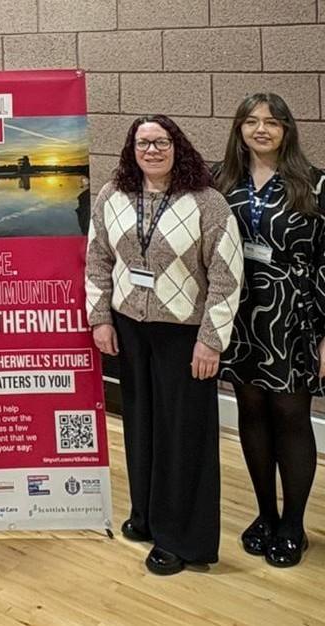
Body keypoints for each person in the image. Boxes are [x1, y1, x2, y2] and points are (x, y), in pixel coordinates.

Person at [85, 114, 242, 576]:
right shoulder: (112, 196)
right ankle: (147, 516)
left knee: (183, 435)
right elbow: (97, 260)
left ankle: (180, 538)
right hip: (130, 330)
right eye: (143, 143)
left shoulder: (207, 203)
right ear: (131, 150)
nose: (151, 150)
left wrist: (210, 340)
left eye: (161, 142)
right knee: (141, 427)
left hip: (184, 335)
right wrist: (100, 318)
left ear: (178, 146)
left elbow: (227, 277)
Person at [216, 93, 325, 568]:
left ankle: (293, 523)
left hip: (295, 318)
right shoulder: (222, 182)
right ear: (239, 128)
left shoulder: (315, 184)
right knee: (252, 412)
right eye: (252, 121)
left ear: (287, 130)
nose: (262, 129)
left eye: (273, 122)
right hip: (240, 314)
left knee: (291, 416)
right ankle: (265, 514)